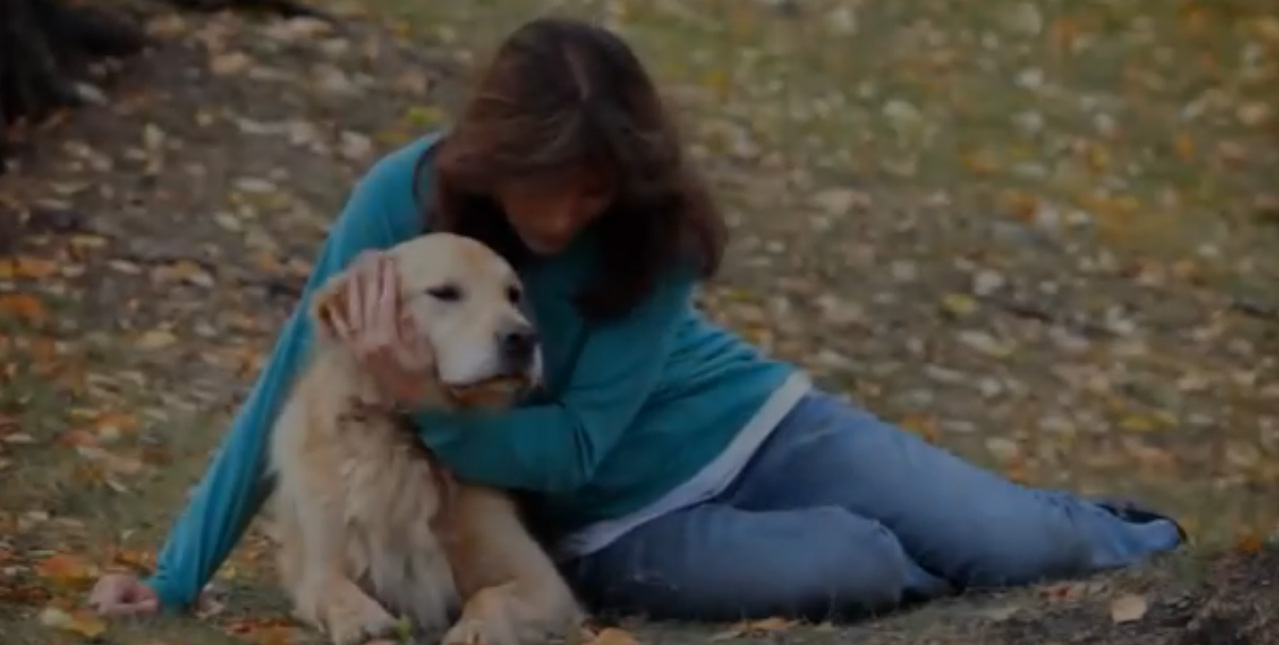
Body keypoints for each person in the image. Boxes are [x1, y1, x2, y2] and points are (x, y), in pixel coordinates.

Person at [89, 17, 1185, 623]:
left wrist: (419, 401)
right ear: (498, 159)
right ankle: (932, 546)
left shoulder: (653, 234)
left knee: (1024, 544)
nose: (571, 213)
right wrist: (177, 574)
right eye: (551, 184)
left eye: (598, 188)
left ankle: (1127, 530)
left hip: (765, 430)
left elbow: (576, 432)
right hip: (613, 525)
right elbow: (297, 372)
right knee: (850, 564)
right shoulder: (400, 204)